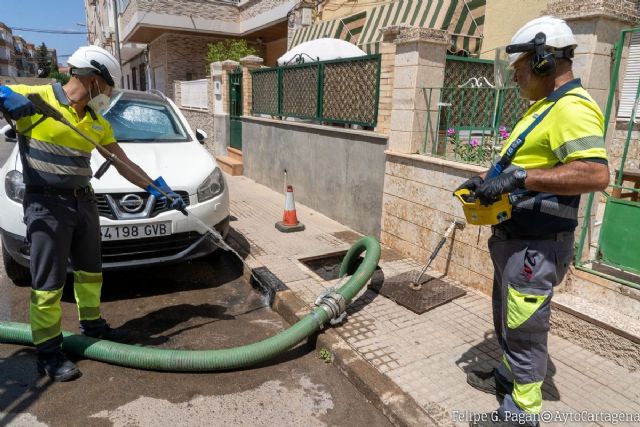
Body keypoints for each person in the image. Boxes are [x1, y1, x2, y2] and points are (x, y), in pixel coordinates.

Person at [455, 16, 610, 426]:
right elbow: (524, 162)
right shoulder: (544, 108)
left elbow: (595, 174)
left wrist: (520, 177)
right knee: (509, 320)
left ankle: (521, 415)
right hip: (516, 238)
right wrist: (490, 180)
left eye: (519, 68)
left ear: (544, 61)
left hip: (535, 245)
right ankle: (508, 378)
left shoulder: (571, 108)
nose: (516, 77)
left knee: (525, 329)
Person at [0, 45, 185, 382]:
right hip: (47, 204)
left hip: (83, 202)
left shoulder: (96, 123)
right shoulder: (38, 97)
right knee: (48, 284)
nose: (108, 95)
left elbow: (125, 163)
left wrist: (161, 191)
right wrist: (4, 95)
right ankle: (48, 352)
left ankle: (93, 326)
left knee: (90, 272)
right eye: (108, 86)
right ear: (93, 78)